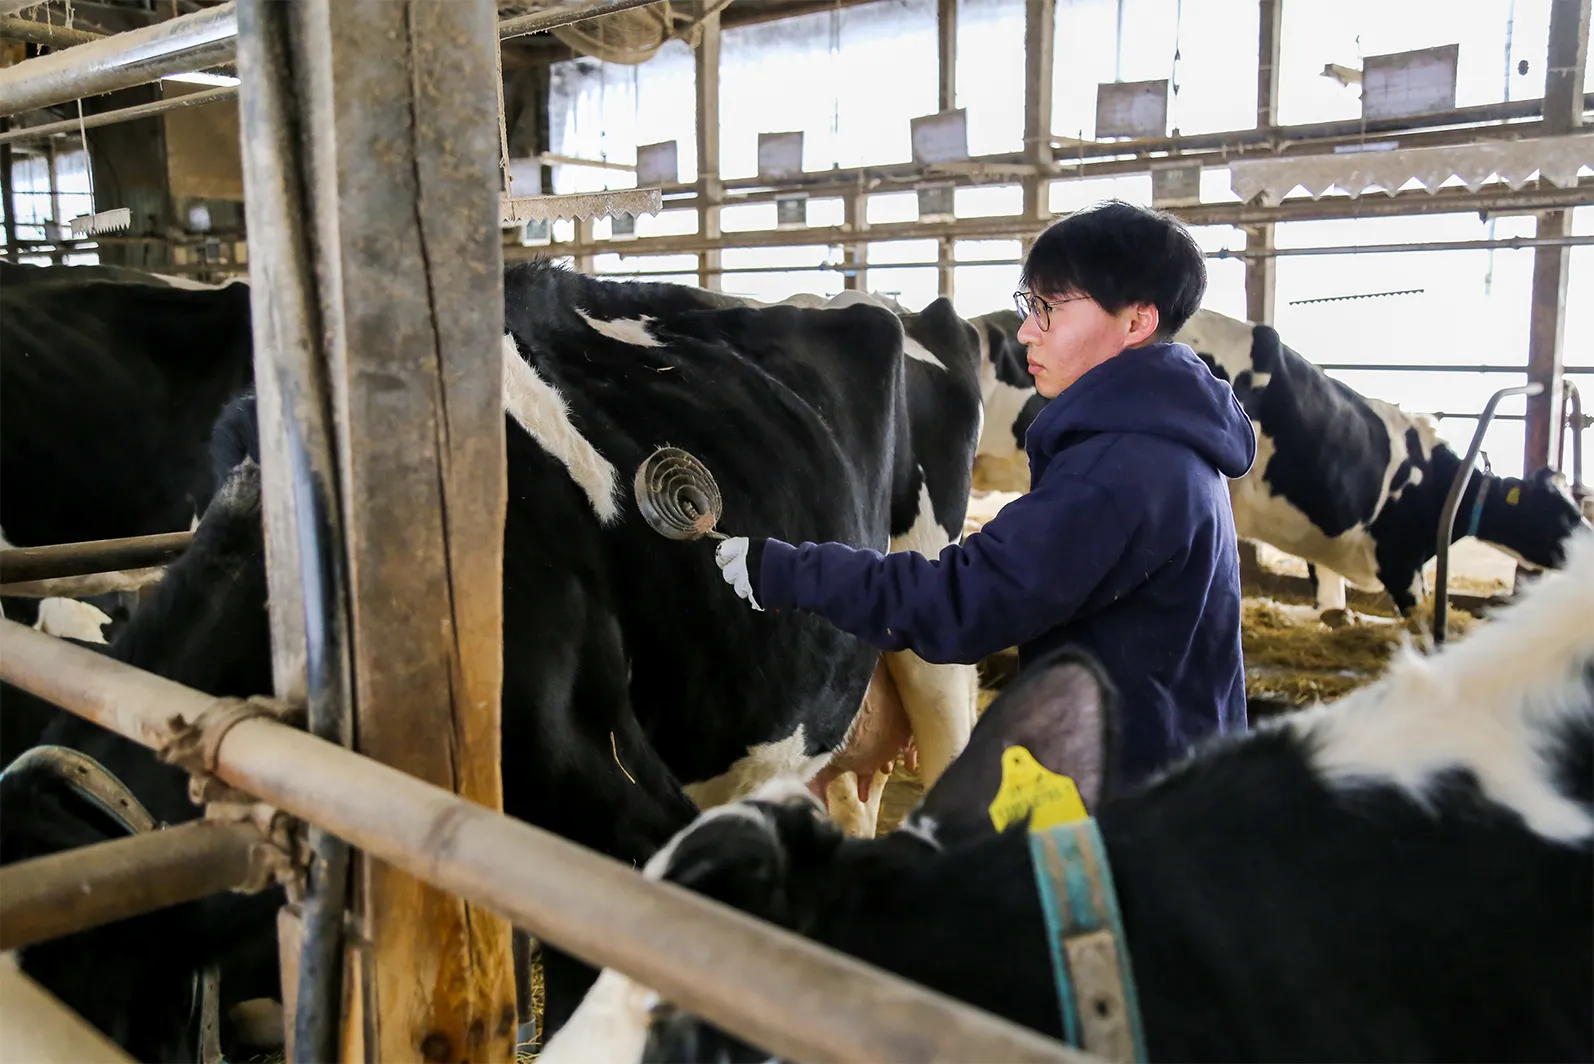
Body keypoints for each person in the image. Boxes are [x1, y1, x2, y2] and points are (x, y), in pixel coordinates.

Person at [714, 199, 1257, 789]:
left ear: (1135, 322)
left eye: (1049, 309)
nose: (1026, 331)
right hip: (1170, 770)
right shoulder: (1172, 441)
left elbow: (965, 602)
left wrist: (788, 570)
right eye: (1031, 306)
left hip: (1121, 808)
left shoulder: (1120, 470)